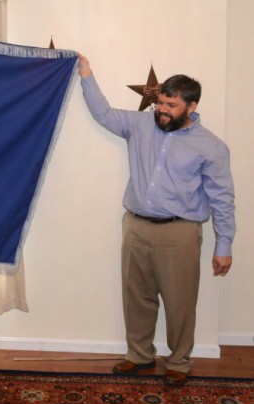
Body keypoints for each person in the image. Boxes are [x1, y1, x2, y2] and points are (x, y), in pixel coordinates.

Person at [77, 54, 235, 386]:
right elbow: (103, 114)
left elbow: (222, 198)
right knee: (136, 295)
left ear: (191, 107)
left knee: (180, 302)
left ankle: (179, 360)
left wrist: (224, 244)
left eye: (171, 105)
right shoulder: (139, 125)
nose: (162, 110)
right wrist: (87, 75)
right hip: (135, 226)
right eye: (160, 102)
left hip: (180, 233)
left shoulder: (211, 147)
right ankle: (139, 355)